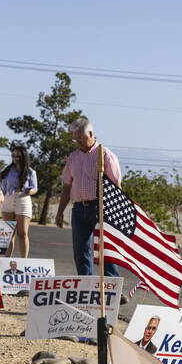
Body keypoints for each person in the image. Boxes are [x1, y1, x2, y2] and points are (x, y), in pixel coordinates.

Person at [56, 117, 121, 277]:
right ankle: (87, 288)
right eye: (75, 139)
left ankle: (112, 288)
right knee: (81, 250)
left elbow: (116, 185)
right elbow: (66, 186)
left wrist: (114, 212)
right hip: (79, 209)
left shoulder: (105, 155)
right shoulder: (73, 158)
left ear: (90, 133)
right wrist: (60, 212)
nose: (78, 142)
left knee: (106, 250)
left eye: (80, 138)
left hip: (101, 208)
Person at [0, 144, 38, 257]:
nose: (15, 158)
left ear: (23, 156)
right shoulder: (8, 170)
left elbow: (35, 189)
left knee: (22, 233)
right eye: (13, 155)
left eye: (18, 155)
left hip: (23, 200)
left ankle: (23, 261)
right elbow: (3, 187)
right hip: (8, 200)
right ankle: (7, 260)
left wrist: (28, 191)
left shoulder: (31, 172)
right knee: (9, 234)